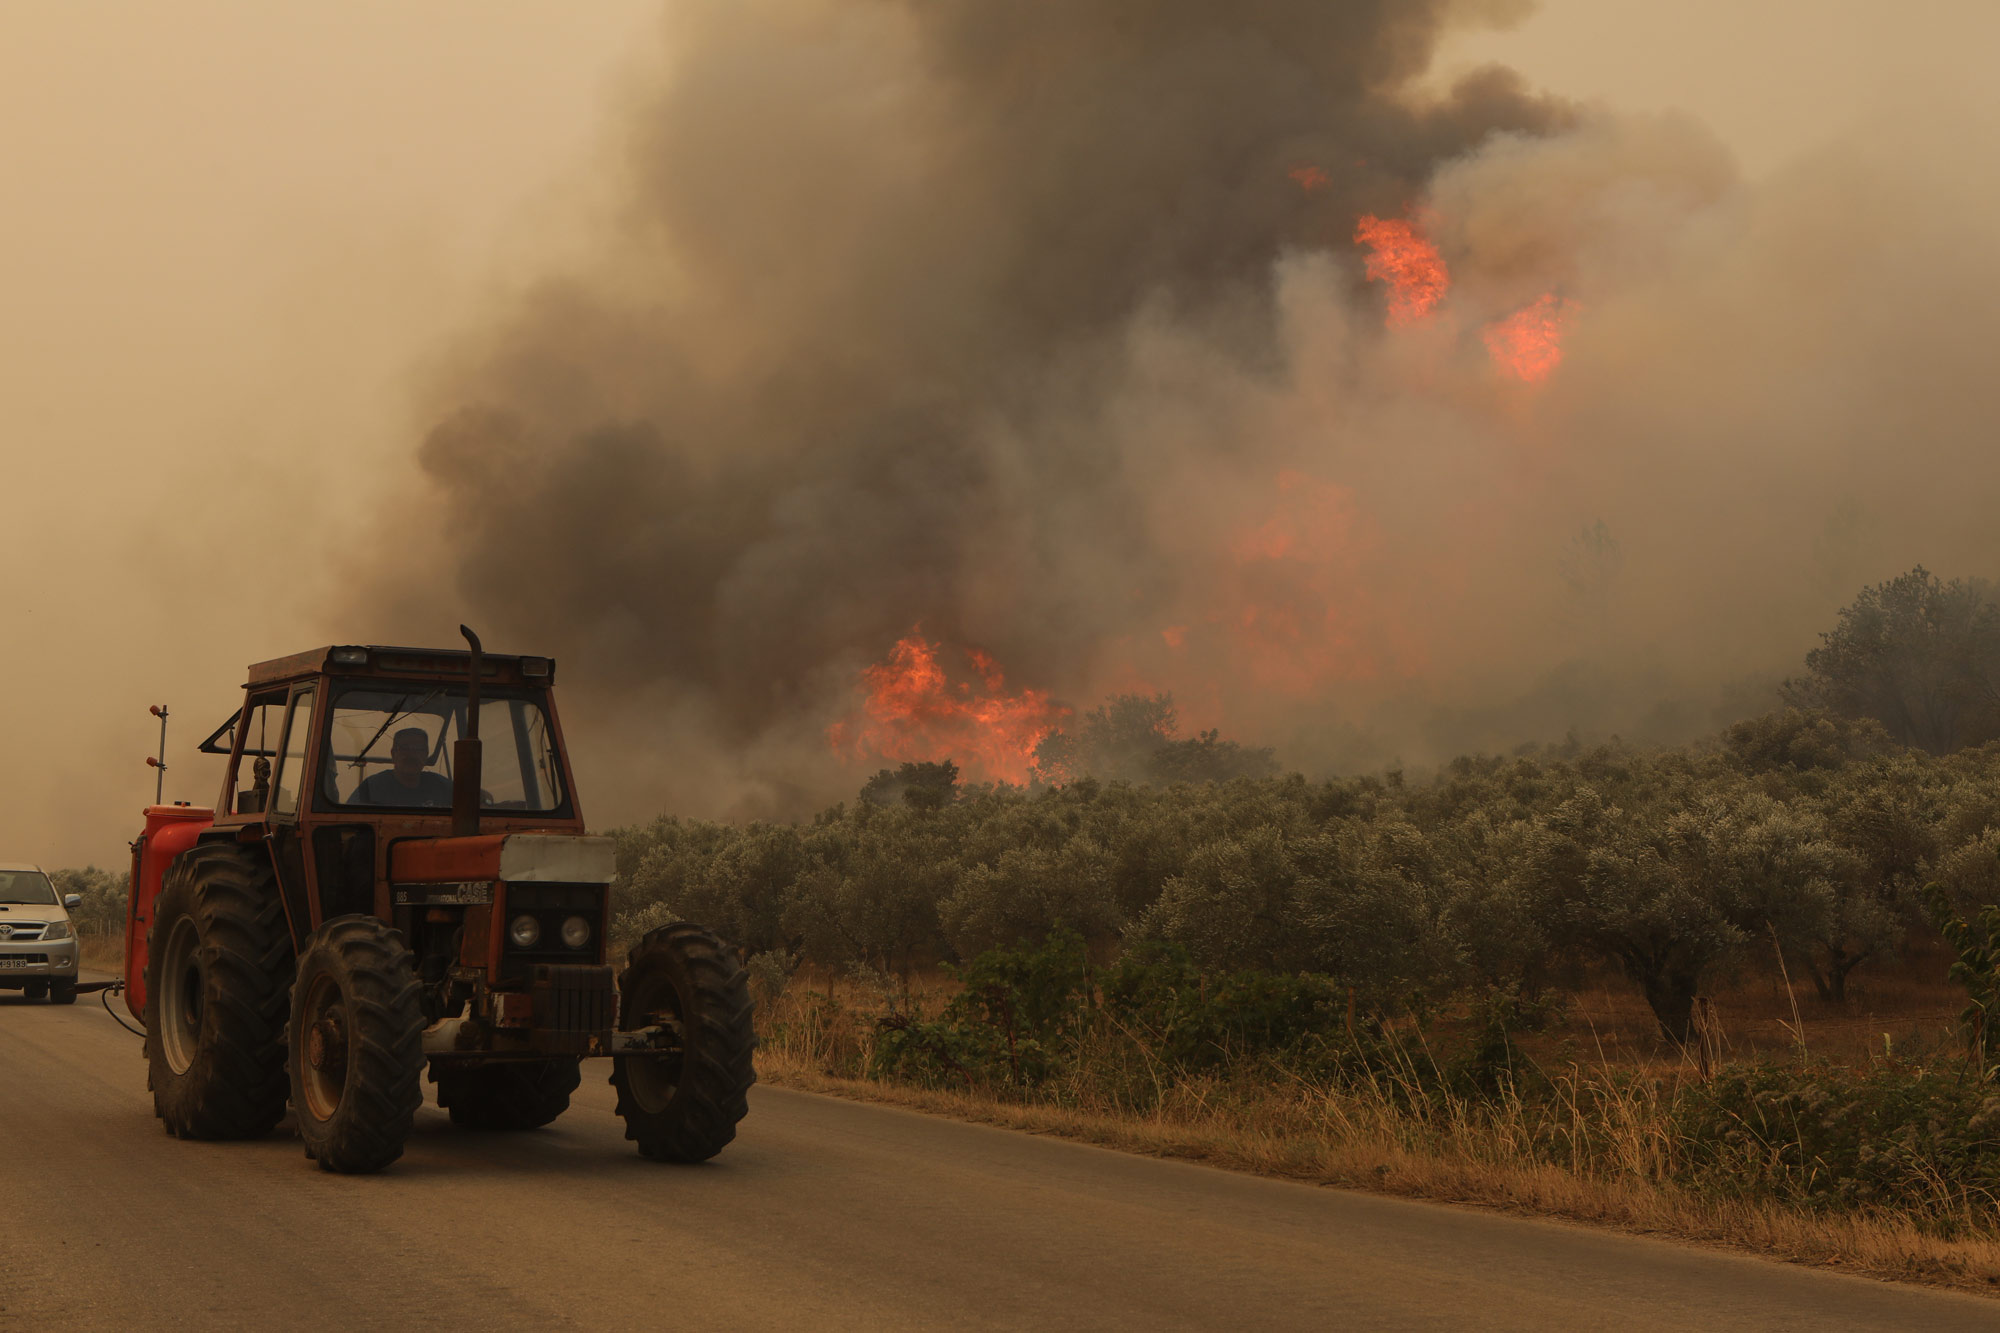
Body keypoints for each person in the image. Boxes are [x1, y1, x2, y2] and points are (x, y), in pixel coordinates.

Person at [353, 727, 453, 806]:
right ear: (393, 754)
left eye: (418, 749)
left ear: (426, 755)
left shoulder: (444, 788)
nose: (411, 754)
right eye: (404, 748)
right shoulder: (371, 788)